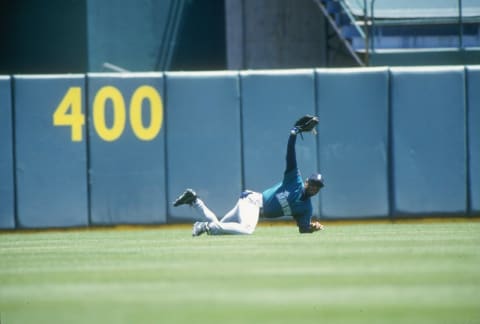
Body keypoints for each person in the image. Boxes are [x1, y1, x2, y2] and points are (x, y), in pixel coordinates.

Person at [173, 115, 325, 236]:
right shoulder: (295, 181)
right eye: (312, 183)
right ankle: (204, 226)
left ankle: (194, 200)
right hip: (253, 201)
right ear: (306, 181)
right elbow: (290, 157)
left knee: (218, 228)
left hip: (252, 207)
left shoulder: (306, 208)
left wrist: (312, 228)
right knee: (246, 229)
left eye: (317, 187)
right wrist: (293, 134)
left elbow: (303, 229)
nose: (314, 188)